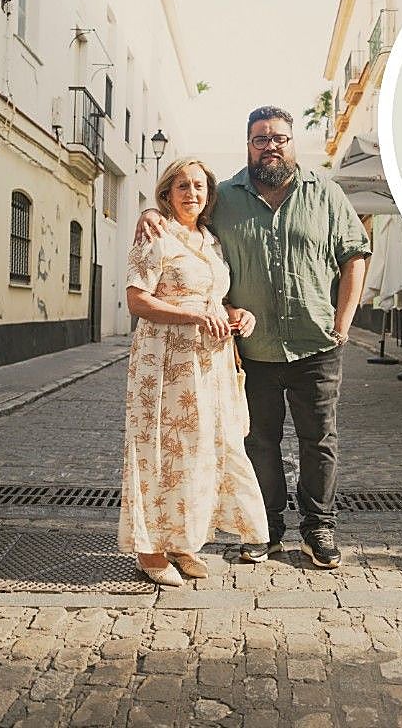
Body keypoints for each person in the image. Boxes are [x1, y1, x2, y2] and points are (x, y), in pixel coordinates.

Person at [135, 107, 370, 569]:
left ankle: (318, 528)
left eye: (279, 138)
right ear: (248, 145)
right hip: (251, 350)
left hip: (316, 343)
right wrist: (149, 211)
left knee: (319, 440)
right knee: (258, 440)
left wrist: (343, 323)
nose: (270, 146)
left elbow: (355, 255)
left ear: (292, 143)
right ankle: (266, 528)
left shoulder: (325, 193)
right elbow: (185, 216)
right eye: (260, 139)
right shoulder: (224, 197)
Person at [120, 158, 270, 587]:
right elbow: (137, 300)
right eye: (183, 186)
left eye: (199, 186)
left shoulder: (211, 241)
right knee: (159, 450)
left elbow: (212, 300)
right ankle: (150, 551)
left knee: (197, 451)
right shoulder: (155, 234)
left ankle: (182, 542)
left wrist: (236, 314)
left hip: (209, 363)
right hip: (164, 362)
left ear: (209, 194)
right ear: (167, 193)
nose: (192, 193)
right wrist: (193, 317)